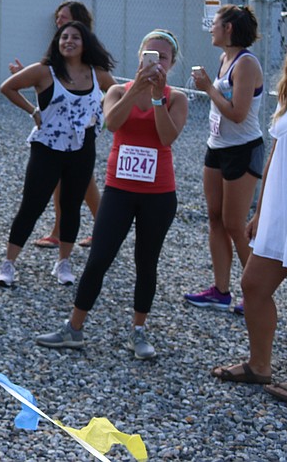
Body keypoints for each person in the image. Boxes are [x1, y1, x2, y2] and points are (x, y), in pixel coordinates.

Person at [36, 29, 188, 359]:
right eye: (151, 56)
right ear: (140, 59)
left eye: (163, 58)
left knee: (146, 262)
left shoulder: (177, 98)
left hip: (158, 192)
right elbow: (112, 124)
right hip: (119, 188)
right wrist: (138, 90)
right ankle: (73, 327)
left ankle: (139, 330)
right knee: (99, 257)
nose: (156, 63)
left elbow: (166, 138)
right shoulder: (119, 90)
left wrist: (158, 97)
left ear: (172, 64)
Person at [213, 14, 287, 406]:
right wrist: (261, 211)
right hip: (281, 207)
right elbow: (278, 151)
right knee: (254, 285)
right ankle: (260, 365)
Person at [0, 20, 116, 288]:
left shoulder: (97, 73)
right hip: (47, 147)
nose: (68, 42)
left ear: (86, 43)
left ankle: (63, 262)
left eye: (75, 37)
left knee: (71, 206)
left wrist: (103, 116)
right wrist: (33, 110)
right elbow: (8, 87)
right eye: (63, 38)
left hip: (82, 148)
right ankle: (9, 264)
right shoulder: (44, 71)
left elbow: (116, 93)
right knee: (32, 205)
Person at [185, 4, 264, 313]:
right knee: (215, 218)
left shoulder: (246, 63)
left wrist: (207, 88)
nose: (211, 29)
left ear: (229, 28)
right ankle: (221, 291)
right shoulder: (223, 58)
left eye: (215, 24)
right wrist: (209, 87)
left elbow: (237, 113)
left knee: (234, 224)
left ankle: (256, 291)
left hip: (243, 148)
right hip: (216, 146)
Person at [10, 0, 104, 249]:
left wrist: (98, 119)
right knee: (57, 188)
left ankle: (101, 229)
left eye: (64, 18)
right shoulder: (57, 57)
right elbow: (51, 90)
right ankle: (60, 230)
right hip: (54, 139)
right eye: (58, 19)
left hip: (80, 139)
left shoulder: (91, 67)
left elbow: (111, 92)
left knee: (83, 188)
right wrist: (28, 82)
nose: (58, 22)